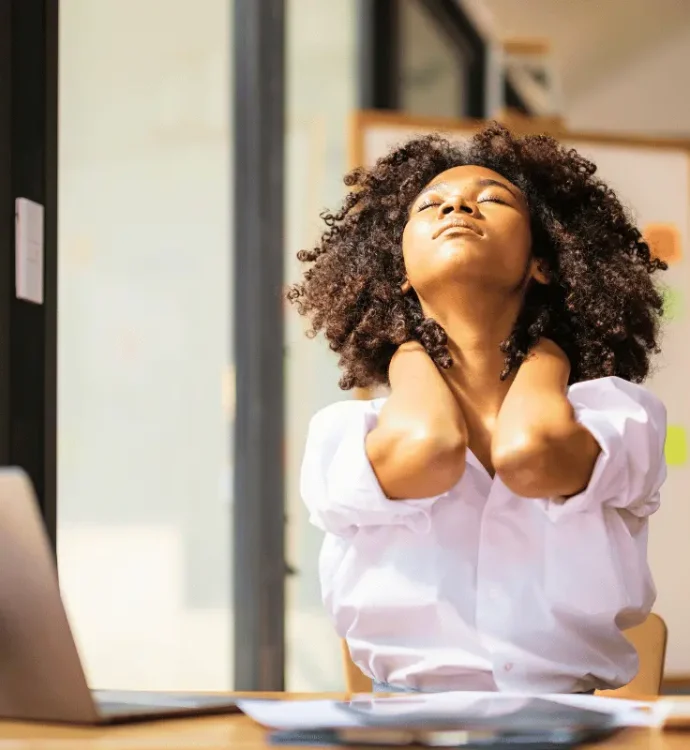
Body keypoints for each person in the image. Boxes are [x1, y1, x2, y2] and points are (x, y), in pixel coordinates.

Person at [287, 124, 668, 694]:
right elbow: (430, 449)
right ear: (401, 278)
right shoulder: (344, 435)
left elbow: (532, 454)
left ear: (542, 263)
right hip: (409, 727)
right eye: (430, 205)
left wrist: (547, 354)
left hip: (574, 723)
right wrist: (410, 356)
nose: (458, 204)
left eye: (492, 198)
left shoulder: (617, 417)